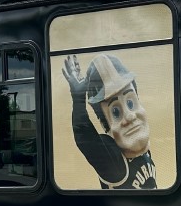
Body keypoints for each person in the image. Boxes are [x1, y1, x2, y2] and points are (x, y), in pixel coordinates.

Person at [62, 54, 157, 189]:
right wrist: (78, 100)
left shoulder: (142, 149)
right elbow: (85, 137)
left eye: (130, 103)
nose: (130, 116)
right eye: (116, 112)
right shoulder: (114, 165)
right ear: (104, 124)